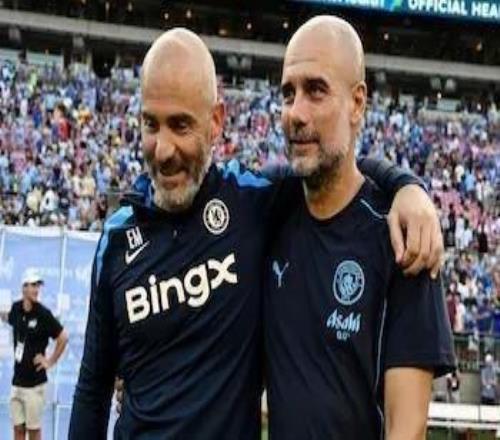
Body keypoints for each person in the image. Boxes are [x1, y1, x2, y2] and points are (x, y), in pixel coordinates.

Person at [69, 28, 444, 440]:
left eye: (180, 125)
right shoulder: (117, 239)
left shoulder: (251, 202)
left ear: (216, 121)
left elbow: (332, 167)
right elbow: (92, 388)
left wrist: (408, 186)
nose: (163, 148)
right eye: (150, 124)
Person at [264, 16, 455, 440]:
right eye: (288, 93)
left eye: (316, 90)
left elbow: (407, 428)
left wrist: (408, 188)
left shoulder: (402, 238)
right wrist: (407, 182)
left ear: (357, 103)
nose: (296, 113)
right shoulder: (269, 209)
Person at [0, 268, 68, 440]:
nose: (36, 289)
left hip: (35, 385)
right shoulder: (16, 309)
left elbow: (63, 337)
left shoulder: (43, 314)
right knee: (18, 429)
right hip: (17, 382)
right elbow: (8, 317)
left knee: (34, 431)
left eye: (38, 285)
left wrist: (50, 361)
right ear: (24, 288)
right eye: (33, 285)